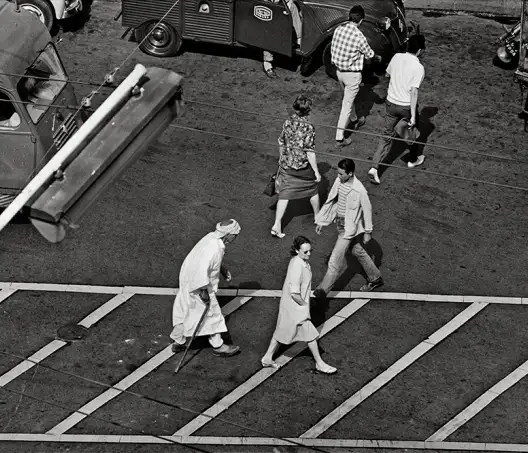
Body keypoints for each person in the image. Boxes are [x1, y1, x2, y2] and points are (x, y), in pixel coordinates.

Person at [261, 235, 337, 374]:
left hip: (290, 306)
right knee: (311, 335)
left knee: (281, 331)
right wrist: (304, 305)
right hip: (296, 307)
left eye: (310, 251)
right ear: (297, 250)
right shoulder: (298, 265)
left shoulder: (298, 261)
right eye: (305, 251)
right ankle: (319, 363)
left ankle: (267, 357)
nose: (309, 254)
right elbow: (295, 292)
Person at [170, 219, 242, 357]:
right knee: (212, 314)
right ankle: (218, 346)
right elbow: (202, 268)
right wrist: (203, 290)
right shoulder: (215, 248)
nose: (235, 238)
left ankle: (179, 341)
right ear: (228, 235)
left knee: (185, 310)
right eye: (235, 235)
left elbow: (204, 261)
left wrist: (222, 269)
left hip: (187, 281)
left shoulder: (211, 238)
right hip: (198, 284)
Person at [313, 159, 383, 299]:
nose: (338, 176)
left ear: (350, 173)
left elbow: (367, 209)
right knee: (357, 250)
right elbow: (332, 201)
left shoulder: (359, 190)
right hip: (340, 223)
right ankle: (375, 278)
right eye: (338, 173)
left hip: (348, 229)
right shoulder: (339, 181)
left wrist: (368, 232)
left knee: (334, 262)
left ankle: (320, 294)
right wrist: (322, 220)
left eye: (341, 174)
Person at [368, 34, 427, 185]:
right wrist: (413, 116)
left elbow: (387, 74)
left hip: (390, 103)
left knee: (386, 136)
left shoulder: (396, 57)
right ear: (419, 50)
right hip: (406, 106)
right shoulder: (419, 67)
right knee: (411, 132)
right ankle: (413, 159)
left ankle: (374, 168)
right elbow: (414, 92)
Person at [331, 5, 382, 148]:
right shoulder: (359, 37)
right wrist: (377, 57)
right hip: (352, 75)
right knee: (346, 105)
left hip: (338, 72)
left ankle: (355, 119)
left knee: (348, 98)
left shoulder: (338, 29)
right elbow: (370, 54)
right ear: (361, 20)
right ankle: (340, 138)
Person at [271, 95, 321, 238]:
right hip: (302, 167)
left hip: (287, 165)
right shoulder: (309, 127)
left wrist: (282, 158)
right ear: (308, 110)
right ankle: (317, 216)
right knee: (312, 188)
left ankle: (276, 225)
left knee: (284, 194)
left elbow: (281, 141)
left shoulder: (287, 122)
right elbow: (309, 151)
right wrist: (317, 172)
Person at [262, 0, 302, 78]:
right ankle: (267, 63)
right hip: (266, 7)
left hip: (280, 5)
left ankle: (299, 43)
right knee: (270, 29)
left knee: (293, 7)